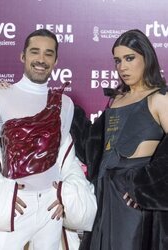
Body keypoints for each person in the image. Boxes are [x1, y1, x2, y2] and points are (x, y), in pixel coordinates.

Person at [0, 28, 97, 250]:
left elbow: (64, 158)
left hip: (51, 209)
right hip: (14, 205)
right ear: (23, 56)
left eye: (48, 53)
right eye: (35, 52)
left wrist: (66, 197)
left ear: (56, 60)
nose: (41, 59)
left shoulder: (65, 105)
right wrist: (0, 197)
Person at [72, 29, 168, 250]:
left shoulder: (160, 97)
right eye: (117, 60)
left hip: (133, 194)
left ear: (147, 57)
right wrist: (66, 109)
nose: (122, 67)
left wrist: (144, 188)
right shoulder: (115, 100)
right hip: (104, 190)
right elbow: (92, 147)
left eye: (129, 58)